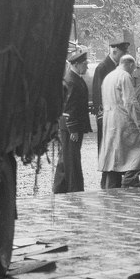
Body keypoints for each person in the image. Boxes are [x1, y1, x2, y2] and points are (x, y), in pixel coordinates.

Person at [98, 54, 140, 188]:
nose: (134, 71)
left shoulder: (109, 77)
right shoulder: (125, 76)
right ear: (131, 65)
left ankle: (111, 186)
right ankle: (130, 180)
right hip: (122, 119)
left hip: (109, 119)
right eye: (134, 68)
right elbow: (130, 102)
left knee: (113, 154)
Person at [90, 40, 129, 187]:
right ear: (114, 52)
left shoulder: (116, 66)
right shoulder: (103, 67)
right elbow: (97, 94)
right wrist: (102, 116)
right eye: (122, 53)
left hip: (116, 115)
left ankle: (114, 176)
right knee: (106, 147)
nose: (124, 56)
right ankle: (105, 178)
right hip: (106, 116)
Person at [53, 48, 91, 194]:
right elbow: (68, 108)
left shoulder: (74, 79)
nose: (87, 66)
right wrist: (72, 129)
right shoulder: (71, 81)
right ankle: (74, 189)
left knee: (66, 157)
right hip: (71, 127)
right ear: (76, 64)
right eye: (84, 64)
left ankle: (60, 187)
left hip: (72, 126)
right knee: (72, 159)